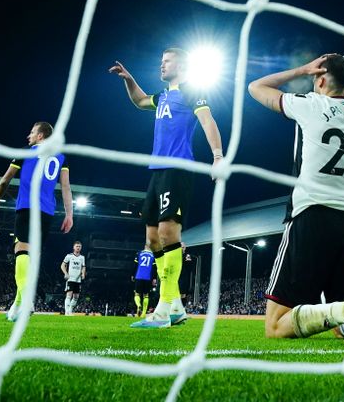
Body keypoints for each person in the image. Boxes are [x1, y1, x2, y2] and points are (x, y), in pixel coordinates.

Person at [248, 53, 344, 341]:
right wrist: (338, 74)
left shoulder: (308, 105)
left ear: (320, 79)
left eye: (314, 79)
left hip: (310, 216)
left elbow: (255, 87)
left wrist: (304, 69)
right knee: (341, 329)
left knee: (274, 327)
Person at [109, 48, 224, 328]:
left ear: (181, 65)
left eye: (167, 61)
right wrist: (128, 79)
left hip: (178, 168)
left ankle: (162, 307)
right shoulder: (161, 97)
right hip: (157, 172)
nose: (161, 66)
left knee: (168, 231)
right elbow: (138, 101)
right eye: (160, 61)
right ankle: (175, 307)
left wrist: (218, 156)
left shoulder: (192, 91)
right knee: (151, 238)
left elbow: (208, 120)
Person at [0, 121, 74, 321]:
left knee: (22, 253)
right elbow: (66, 188)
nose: (29, 135)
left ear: (41, 136)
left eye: (32, 132)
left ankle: (26, 301)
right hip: (47, 213)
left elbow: (5, 180)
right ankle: (18, 305)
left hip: (27, 208)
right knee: (31, 258)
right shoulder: (61, 157)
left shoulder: (26, 152)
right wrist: (69, 214)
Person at [61, 241, 86, 315]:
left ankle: (70, 310)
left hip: (78, 280)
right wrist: (66, 273)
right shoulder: (69, 256)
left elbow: (83, 267)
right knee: (69, 295)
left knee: (76, 297)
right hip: (70, 279)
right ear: (73, 247)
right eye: (77, 246)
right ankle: (67, 312)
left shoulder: (82, 257)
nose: (78, 248)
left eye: (79, 246)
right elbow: (62, 265)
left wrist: (83, 273)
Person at [133, 244, 157, 318]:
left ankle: (139, 305)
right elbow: (154, 268)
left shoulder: (139, 253)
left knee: (137, 294)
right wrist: (154, 278)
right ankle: (143, 313)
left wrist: (133, 275)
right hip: (148, 277)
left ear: (144, 247)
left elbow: (135, 265)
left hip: (139, 276)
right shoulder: (153, 255)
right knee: (146, 295)